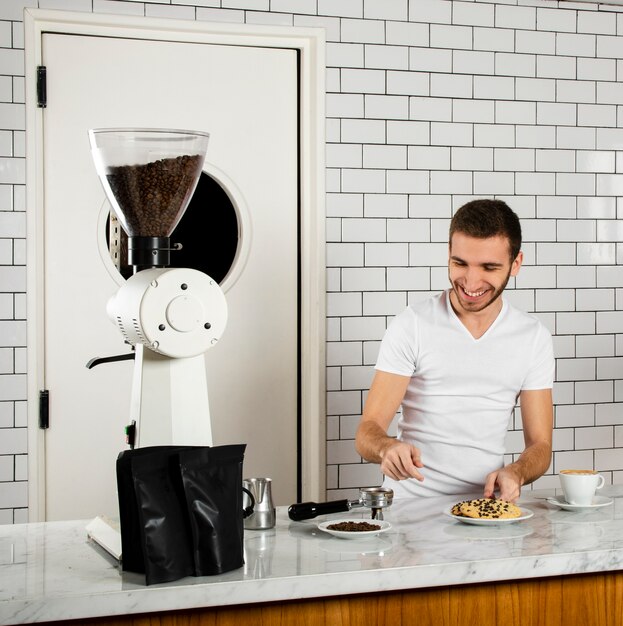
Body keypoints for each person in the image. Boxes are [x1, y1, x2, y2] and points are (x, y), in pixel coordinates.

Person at [355, 199, 554, 503]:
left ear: (516, 264)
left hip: (484, 509)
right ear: (448, 254)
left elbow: (540, 445)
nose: (471, 282)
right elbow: (367, 431)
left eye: (489, 267)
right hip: (410, 508)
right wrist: (386, 447)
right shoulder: (413, 324)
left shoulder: (533, 337)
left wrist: (516, 471)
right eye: (460, 263)